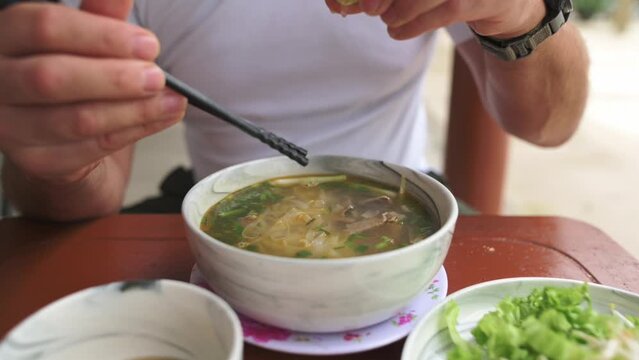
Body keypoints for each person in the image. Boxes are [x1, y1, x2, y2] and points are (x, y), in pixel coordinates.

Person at [0, 0, 589, 221]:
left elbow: (548, 125)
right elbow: (89, 191)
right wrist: (55, 160)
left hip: (408, 197)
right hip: (214, 203)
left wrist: (524, 14)